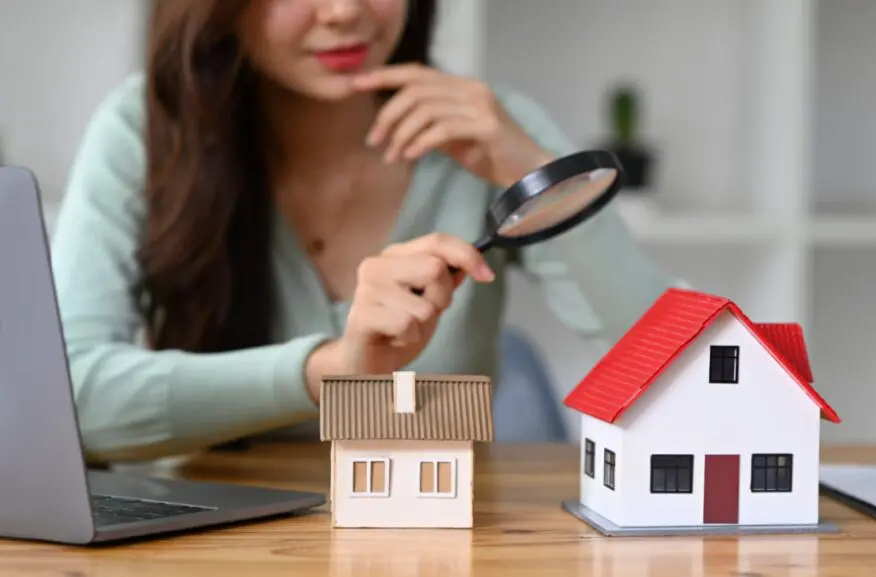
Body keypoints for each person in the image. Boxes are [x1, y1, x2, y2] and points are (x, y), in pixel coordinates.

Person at [49, 0, 677, 464]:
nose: (346, 11)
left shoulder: (491, 128)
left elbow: (676, 369)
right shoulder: (145, 131)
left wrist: (536, 175)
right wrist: (327, 372)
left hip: (439, 546)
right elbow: (69, 402)